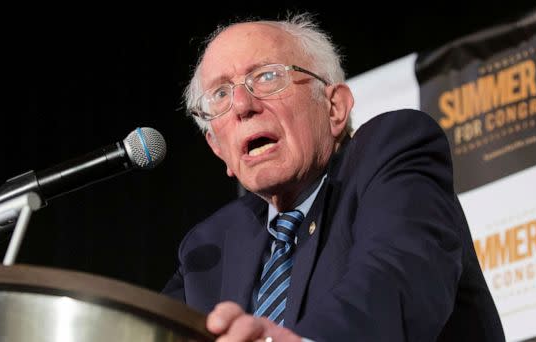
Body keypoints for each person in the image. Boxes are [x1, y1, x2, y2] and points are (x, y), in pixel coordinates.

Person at [162, 13, 505, 341]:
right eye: (220, 93)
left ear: (334, 108)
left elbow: (395, 276)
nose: (241, 104)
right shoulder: (208, 247)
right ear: (218, 148)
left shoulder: (391, 151)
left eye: (267, 76)